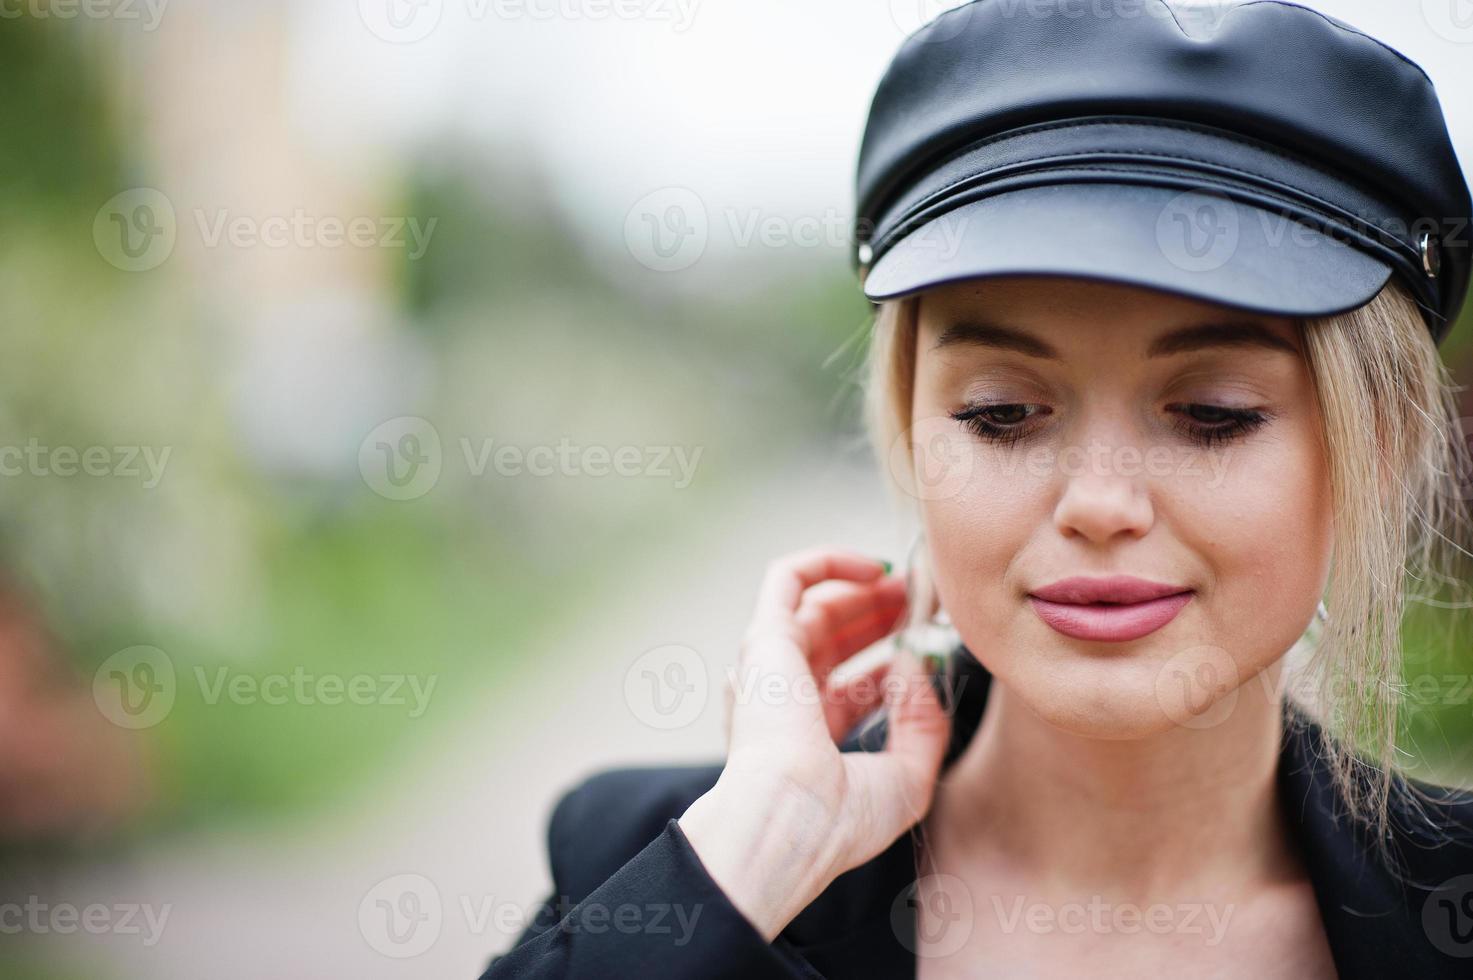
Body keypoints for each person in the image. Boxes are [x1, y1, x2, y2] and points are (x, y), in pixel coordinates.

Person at [481, 1, 1473, 975]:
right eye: (1001, 411)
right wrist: (759, 852)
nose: (1098, 500)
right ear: (910, 432)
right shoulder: (667, 872)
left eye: (1213, 411)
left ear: (1372, 447)